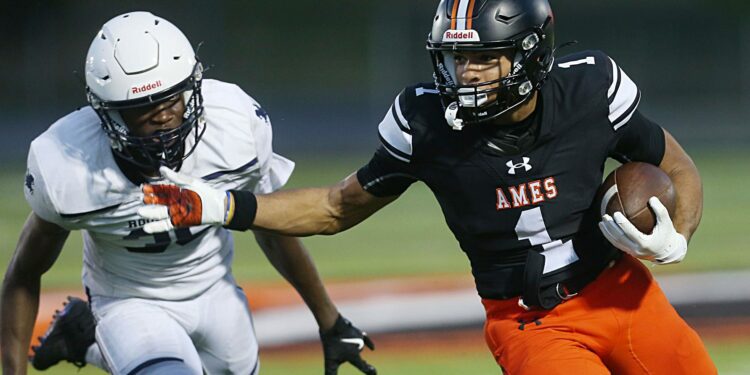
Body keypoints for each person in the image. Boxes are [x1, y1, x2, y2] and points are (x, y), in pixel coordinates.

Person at [135, 0, 718, 374]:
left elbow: (676, 164)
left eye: (484, 59)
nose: (465, 76)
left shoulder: (587, 89)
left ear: (531, 55)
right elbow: (338, 206)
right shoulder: (426, 123)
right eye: (456, 60)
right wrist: (221, 204)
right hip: (530, 322)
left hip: (620, 290)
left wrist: (678, 236)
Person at [0, 11, 376, 375]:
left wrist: (330, 320)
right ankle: (101, 335)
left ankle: (84, 340)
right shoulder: (66, 167)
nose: (163, 116)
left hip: (216, 292)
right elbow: (24, 272)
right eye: (142, 108)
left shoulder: (234, 128)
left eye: (172, 98)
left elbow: (270, 226)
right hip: (129, 300)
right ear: (107, 114)